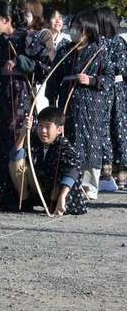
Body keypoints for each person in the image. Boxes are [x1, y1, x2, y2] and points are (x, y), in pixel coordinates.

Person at [46, 11, 113, 200]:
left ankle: (90, 187)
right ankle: (69, 183)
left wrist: (91, 80)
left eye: (79, 28)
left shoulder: (100, 50)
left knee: (91, 144)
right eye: (73, 27)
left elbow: (109, 78)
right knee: (69, 142)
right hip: (67, 102)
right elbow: (54, 77)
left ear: (88, 31)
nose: (75, 31)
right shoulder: (65, 50)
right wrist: (51, 100)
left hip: (92, 105)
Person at [0, 1, 39, 166]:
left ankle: (25, 178)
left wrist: (19, 61)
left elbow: (43, 64)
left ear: (7, 19)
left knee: (25, 135)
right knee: (2, 140)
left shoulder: (28, 38)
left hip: (24, 95)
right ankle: (5, 181)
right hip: (2, 99)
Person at [8, 107, 87, 216]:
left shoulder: (64, 146)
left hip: (53, 195)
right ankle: (25, 201)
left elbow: (73, 169)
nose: (43, 131)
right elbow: (15, 156)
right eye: (40, 126)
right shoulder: (33, 139)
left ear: (59, 130)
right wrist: (23, 133)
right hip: (35, 188)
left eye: (48, 127)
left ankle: (55, 203)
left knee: (65, 174)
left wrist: (63, 196)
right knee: (16, 162)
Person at [96, 6, 127, 190]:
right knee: (103, 130)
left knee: (119, 131)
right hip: (100, 91)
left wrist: (106, 69)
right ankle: (106, 174)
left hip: (117, 92)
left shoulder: (118, 42)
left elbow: (122, 66)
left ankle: (121, 175)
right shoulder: (96, 42)